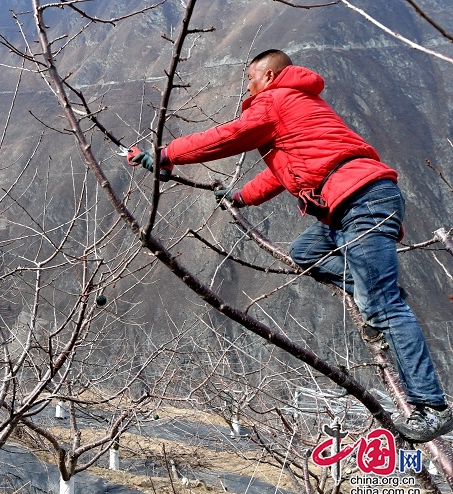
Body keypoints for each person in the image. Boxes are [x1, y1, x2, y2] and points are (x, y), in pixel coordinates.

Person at [127, 49, 452, 443]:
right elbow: (284, 172)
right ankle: (372, 291)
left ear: (267, 74)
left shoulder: (276, 100)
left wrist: (165, 154)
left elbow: (228, 136)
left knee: (384, 307)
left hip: (361, 199)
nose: (246, 85)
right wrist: (242, 196)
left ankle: (431, 405)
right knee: (306, 253)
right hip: (345, 203)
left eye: (250, 77)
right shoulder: (296, 105)